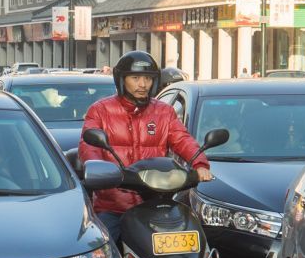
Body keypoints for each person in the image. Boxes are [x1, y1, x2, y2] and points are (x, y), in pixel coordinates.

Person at [79, 50, 214, 234]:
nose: (143, 84)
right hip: (114, 206)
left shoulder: (164, 111)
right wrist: (96, 170)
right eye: (135, 78)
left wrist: (200, 164)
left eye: (148, 78)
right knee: (104, 251)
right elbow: (90, 146)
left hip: (157, 201)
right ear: (122, 79)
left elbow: (182, 139)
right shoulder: (100, 111)